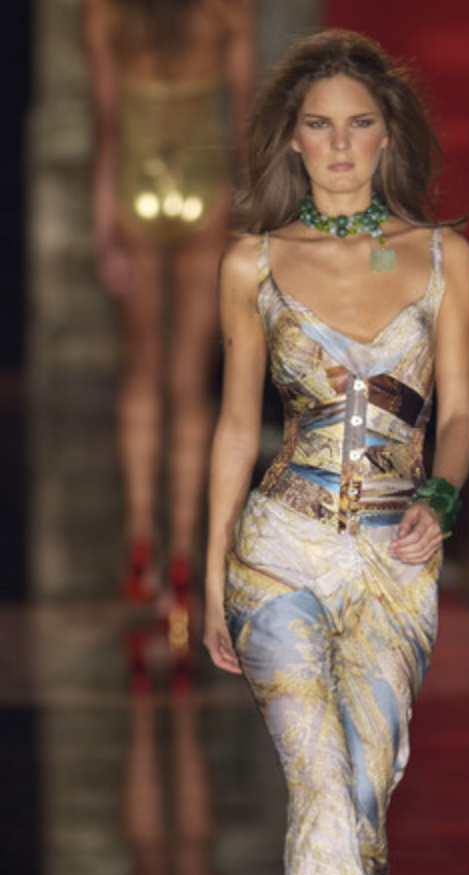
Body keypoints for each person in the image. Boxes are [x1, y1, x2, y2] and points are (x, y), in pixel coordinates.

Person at [202, 29, 469, 875]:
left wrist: (442, 499)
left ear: (387, 136)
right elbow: (234, 425)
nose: (340, 145)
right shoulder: (252, 262)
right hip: (280, 552)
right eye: (318, 125)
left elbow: (458, 413)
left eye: (359, 124)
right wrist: (207, 579)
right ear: (291, 141)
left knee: (359, 801)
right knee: (318, 786)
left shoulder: (443, 255)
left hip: (393, 562)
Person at [82, 0, 255, 649]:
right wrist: (248, 226)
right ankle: (183, 557)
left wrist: (103, 233)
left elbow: (107, 127)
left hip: (134, 186)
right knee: (188, 385)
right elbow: (241, 124)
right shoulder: (228, 10)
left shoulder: (104, 12)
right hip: (205, 189)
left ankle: (140, 539)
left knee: (141, 371)